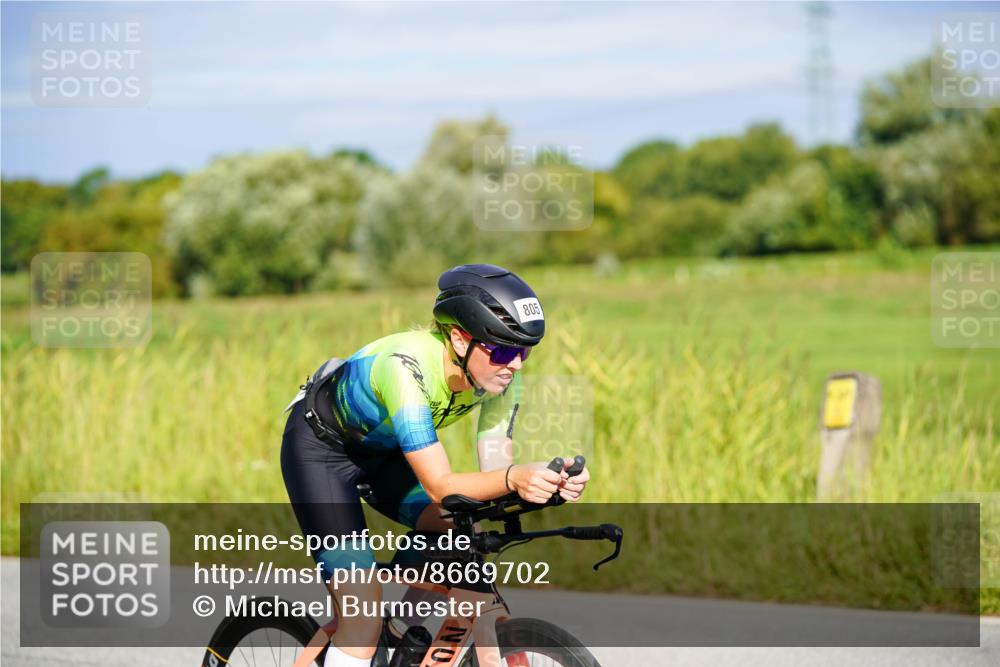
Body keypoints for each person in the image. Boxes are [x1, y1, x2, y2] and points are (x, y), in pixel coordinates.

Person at [280, 263, 590, 667]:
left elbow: (494, 468)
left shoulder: (503, 376)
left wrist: (543, 484)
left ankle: (400, 635)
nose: (515, 365)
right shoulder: (404, 370)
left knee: (465, 531)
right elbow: (440, 485)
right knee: (361, 616)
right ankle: (371, 634)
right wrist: (516, 478)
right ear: (461, 340)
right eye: (503, 350)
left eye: (524, 351)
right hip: (322, 454)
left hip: (387, 454)